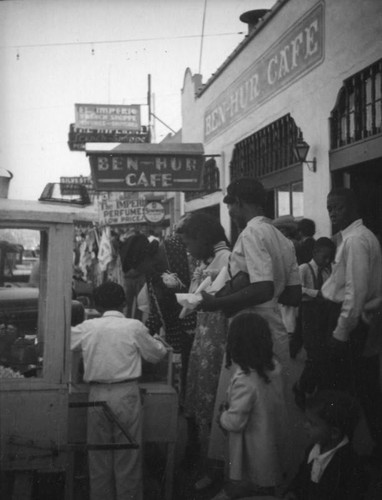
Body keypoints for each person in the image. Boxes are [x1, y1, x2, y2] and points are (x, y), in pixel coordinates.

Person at [200, 177, 301, 483]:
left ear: (239, 203)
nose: (230, 210)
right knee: (275, 407)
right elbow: (292, 295)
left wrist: (219, 302)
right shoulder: (281, 237)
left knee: (244, 405)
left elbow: (263, 286)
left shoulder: (252, 232)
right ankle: (277, 479)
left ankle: (246, 481)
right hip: (275, 329)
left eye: (230, 204)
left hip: (250, 331)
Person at [70, 281, 167, 500]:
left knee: (98, 459)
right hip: (126, 395)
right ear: (124, 303)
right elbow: (157, 354)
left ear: (96, 305)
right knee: (128, 459)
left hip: (96, 395)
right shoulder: (133, 326)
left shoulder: (88, 327)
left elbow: (64, 341)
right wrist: (159, 341)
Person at [321, 187, 382, 461]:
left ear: (353, 207)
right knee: (359, 390)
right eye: (329, 208)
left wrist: (340, 334)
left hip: (351, 327)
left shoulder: (356, 240)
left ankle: (357, 457)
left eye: (338, 207)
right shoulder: (352, 238)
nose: (333, 213)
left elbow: (354, 295)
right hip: (354, 324)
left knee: (355, 392)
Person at [175, 212, 231, 473]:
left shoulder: (226, 259)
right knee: (201, 396)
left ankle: (216, 465)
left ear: (203, 238)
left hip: (218, 337)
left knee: (214, 399)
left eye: (188, 244)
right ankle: (205, 460)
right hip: (205, 335)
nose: (187, 250)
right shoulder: (209, 259)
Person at [211, 312, 288, 500]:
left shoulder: (246, 380)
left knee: (245, 485)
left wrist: (222, 416)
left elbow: (236, 422)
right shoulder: (272, 368)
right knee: (266, 484)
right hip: (270, 441)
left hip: (250, 450)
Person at [283, 390, 367, 500]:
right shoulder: (312, 450)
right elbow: (300, 478)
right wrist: (293, 491)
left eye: (312, 423)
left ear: (334, 433)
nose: (305, 426)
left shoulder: (350, 465)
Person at [293, 237, 335, 406]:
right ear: (315, 252)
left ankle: (312, 387)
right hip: (309, 313)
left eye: (330, 258)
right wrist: (314, 293)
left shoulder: (327, 272)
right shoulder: (304, 268)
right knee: (314, 354)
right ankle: (302, 387)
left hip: (324, 314)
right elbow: (296, 288)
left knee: (323, 353)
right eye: (324, 257)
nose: (327, 261)